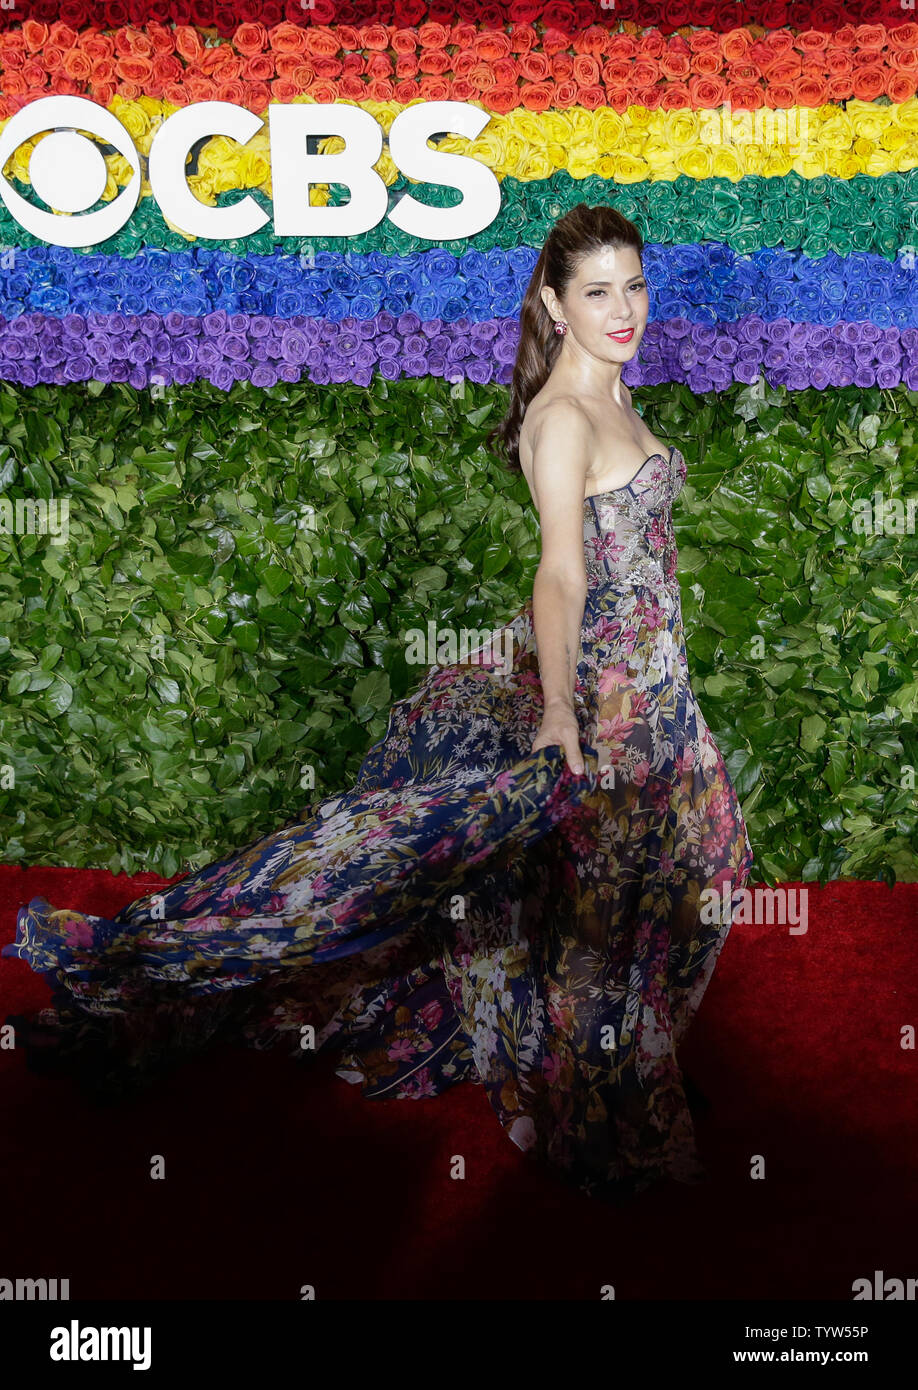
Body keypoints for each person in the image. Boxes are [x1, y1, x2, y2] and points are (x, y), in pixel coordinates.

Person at [3, 203, 754, 1205]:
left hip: (663, 696)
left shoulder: (613, 396)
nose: (624, 311)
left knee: (693, 875)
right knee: (599, 920)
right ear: (553, 304)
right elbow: (561, 576)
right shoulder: (563, 418)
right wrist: (565, 712)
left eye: (635, 286)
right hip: (609, 708)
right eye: (597, 293)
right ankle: (603, 1124)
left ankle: (631, 1073)